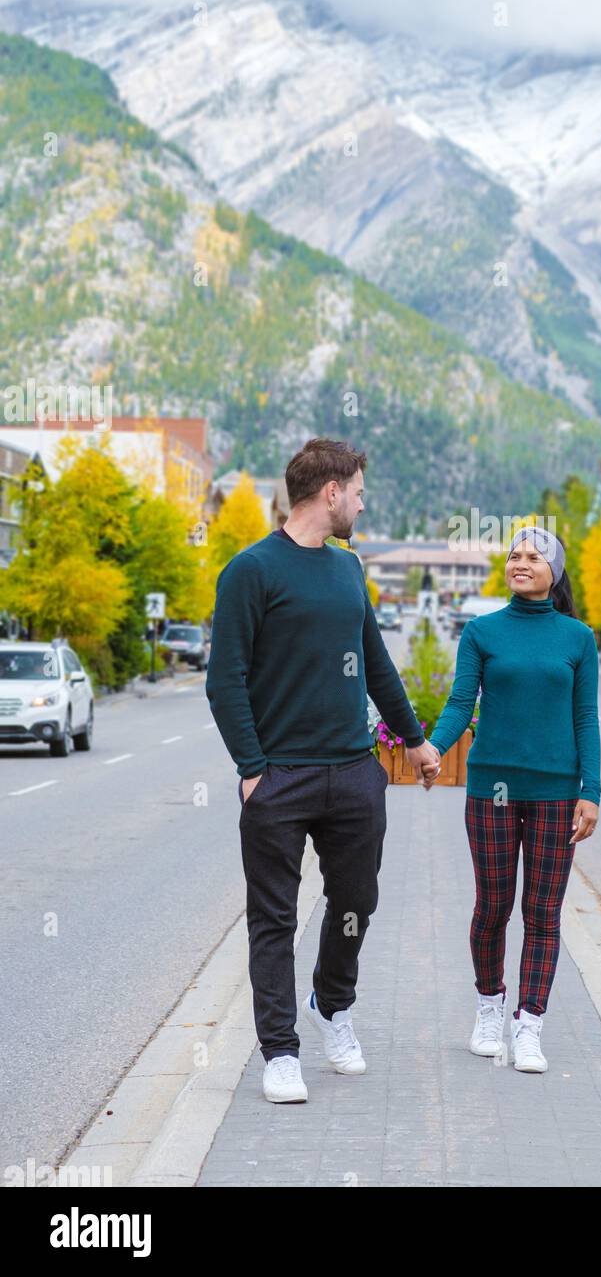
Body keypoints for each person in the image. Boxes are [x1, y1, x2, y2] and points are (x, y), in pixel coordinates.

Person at [206, 439, 439, 1104]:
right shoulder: (250, 571)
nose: (363, 502)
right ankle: (280, 1051)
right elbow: (225, 683)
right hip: (279, 779)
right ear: (330, 491)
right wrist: (254, 772)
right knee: (273, 920)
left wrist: (416, 742)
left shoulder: (347, 570)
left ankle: (332, 1005)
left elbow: (377, 667)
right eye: (359, 490)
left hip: (354, 773)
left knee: (356, 902)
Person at [422, 527, 601, 1074]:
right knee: (493, 906)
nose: (521, 562)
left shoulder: (578, 639)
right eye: (514, 555)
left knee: (542, 913)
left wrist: (589, 793)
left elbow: (585, 719)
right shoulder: (480, 632)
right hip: (491, 792)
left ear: (555, 571)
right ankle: (488, 1008)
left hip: (555, 792)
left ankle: (530, 1025)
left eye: (533, 556)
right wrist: (431, 747)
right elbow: (460, 702)